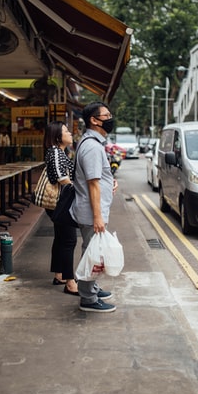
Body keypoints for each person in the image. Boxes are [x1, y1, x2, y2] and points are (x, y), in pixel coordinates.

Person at [70, 102, 118, 312]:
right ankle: (88, 299)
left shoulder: (93, 143)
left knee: (93, 251)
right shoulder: (91, 146)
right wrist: (98, 216)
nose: (110, 118)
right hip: (91, 212)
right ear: (94, 120)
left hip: (93, 210)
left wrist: (110, 183)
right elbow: (92, 183)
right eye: (106, 115)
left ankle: (91, 288)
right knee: (92, 253)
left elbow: (99, 178)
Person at [44, 121, 78, 295]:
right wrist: (77, 188)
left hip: (60, 202)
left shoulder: (61, 152)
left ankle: (60, 275)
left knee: (61, 238)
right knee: (69, 240)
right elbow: (60, 176)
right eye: (66, 131)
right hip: (61, 202)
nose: (70, 134)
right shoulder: (56, 152)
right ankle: (70, 282)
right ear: (58, 137)